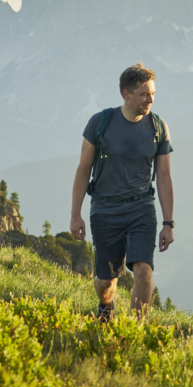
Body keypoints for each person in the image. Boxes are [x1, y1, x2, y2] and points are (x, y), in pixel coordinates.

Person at [70, 63, 174, 322]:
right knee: (106, 282)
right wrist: (75, 214)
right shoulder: (100, 123)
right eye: (144, 94)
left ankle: (134, 332)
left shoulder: (158, 127)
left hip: (141, 208)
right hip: (105, 209)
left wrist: (168, 223)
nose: (150, 99)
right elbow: (83, 170)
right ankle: (106, 309)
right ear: (126, 94)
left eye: (153, 93)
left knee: (144, 271)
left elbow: (163, 178)